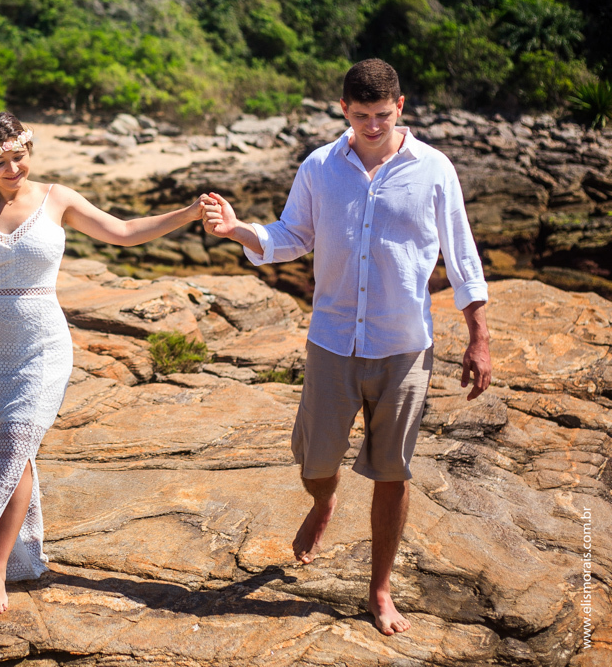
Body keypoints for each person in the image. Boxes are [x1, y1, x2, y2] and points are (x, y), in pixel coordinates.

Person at [0, 111, 204, 617]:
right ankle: (19, 556)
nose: (13, 167)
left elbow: (126, 231)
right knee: (9, 457)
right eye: (0, 160)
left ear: (30, 150)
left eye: (19, 156)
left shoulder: (57, 197)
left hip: (44, 344)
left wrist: (190, 212)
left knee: (15, 443)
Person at [200, 58, 492, 636]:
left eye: (382, 115)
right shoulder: (319, 167)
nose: (373, 126)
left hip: (405, 345)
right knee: (315, 462)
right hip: (332, 339)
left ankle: (379, 590)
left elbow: (462, 256)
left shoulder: (434, 169)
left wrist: (479, 336)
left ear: (400, 107)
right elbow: (292, 236)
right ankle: (324, 501)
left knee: (392, 471)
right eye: (361, 117)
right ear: (343, 111)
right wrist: (239, 230)